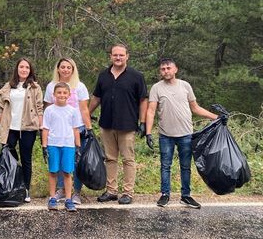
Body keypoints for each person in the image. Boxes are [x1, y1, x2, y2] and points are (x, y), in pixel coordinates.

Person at [146, 58, 219, 209]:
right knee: (165, 165)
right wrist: (148, 132)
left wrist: (217, 117)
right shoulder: (156, 88)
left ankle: (186, 196)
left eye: (168, 68)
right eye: (163, 69)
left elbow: (196, 108)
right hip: (166, 135)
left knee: (185, 166)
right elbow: (151, 110)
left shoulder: (185, 86)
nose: (166, 71)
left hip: (185, 134)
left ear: (175, 69)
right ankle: (165, 194)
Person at [89, 44, 147, 205]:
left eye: (121, 55)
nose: (118, 58)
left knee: (128, 159)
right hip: (106, 123)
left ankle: (128, 192)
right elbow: (96, 98)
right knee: (110, 158)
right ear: (111, 56)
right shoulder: (104, 76)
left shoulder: (136, 76)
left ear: (127, 56)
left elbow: (143, 100)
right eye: (115, 55)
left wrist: (143, 122)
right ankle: (111, 191)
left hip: (127, 124)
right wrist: (86, 114)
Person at [0, 58, 44, 203]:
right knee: (9, 155)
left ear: (30, 70)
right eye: (21, 67)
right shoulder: (9, 86)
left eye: (27, 67)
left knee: (26, 158)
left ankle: (26, 189)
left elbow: (40, 108)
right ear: (17, 69)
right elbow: (2, 107)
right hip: (10, 128)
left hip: (28, 127)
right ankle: (12, 185)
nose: (24, 70)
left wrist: (41, 127)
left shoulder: (35, 87)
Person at [43, 58, 93, 204]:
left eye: (69, 67)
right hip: (56, 131)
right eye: (63, 67)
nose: (65, 69)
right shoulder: (51, 86)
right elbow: (48, 108)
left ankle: (75, 192)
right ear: (58, 69)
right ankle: (60, 190)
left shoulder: (79, 86)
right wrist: (45, 137)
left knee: (74, 161)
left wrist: (89, 128)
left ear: (73, 69)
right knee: (57, 162)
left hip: (76, 128)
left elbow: (84, 109)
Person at [42, 82, 81, 212]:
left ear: (69, 95)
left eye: (65, 93)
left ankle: (68, 200)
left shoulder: (72, 111)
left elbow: (75, 129)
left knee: (67, 172)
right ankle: (52, 198)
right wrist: (44, 146)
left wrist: (78, 146)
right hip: (53, 144)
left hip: (68, 145)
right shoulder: (49, 110)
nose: (62, 95)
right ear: (54, 94)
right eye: (59, 92)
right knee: (53, 171)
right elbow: (45, 129)